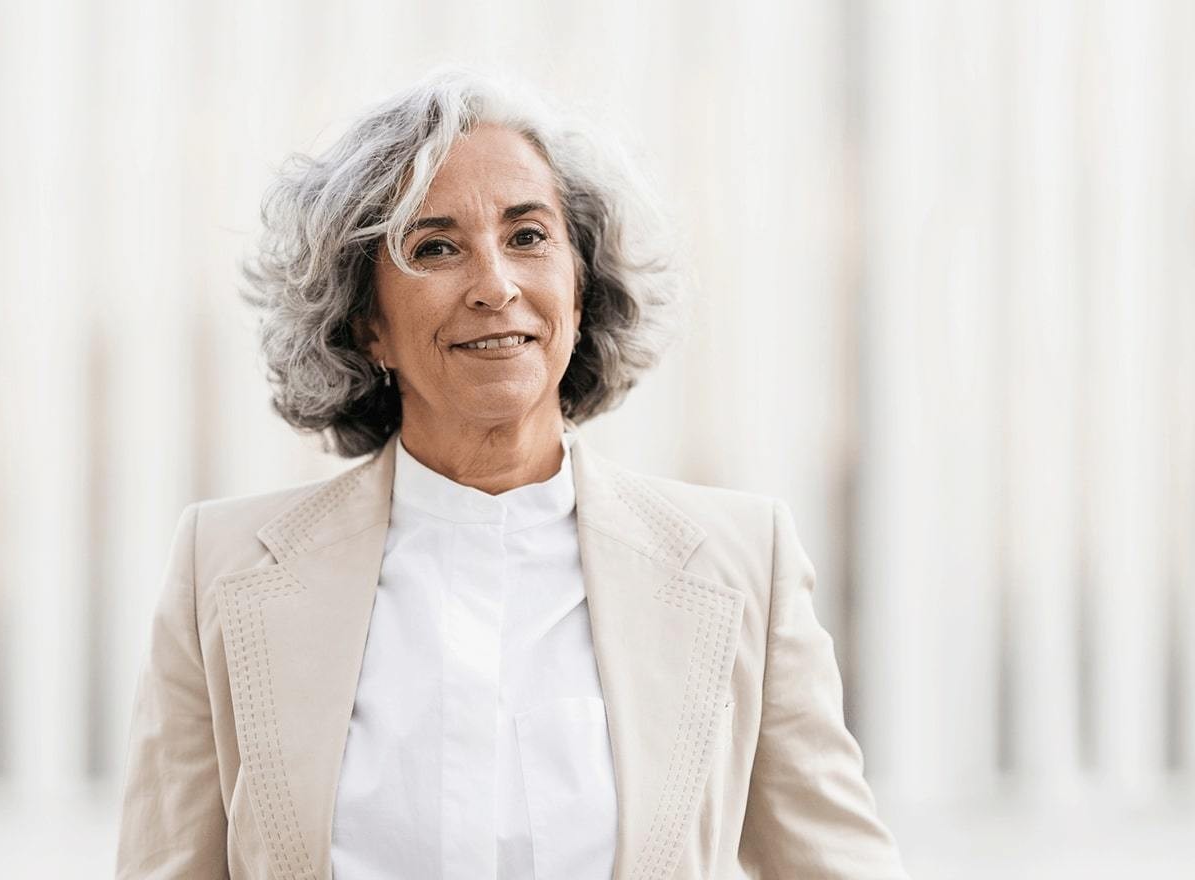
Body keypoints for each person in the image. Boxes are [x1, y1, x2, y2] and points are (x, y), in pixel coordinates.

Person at [115, 66, 909, 880]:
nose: (495, 286)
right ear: (366, 324)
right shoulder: (221, 569)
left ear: (580, 286)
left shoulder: (745, 565)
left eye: (528, 236)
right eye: (434, 247)